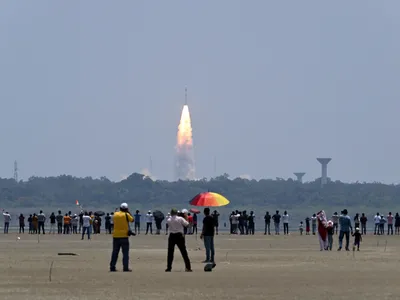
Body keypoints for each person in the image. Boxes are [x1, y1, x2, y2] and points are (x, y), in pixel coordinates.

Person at [110, 203, 134, 272]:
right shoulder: (126, 214)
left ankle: (112, 266)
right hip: (124, 236)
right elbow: (132, 220)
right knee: (125, 253)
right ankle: (125, 267)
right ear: (126, 209)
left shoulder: (115, 214)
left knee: (115, 252)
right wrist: (128, 212)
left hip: (116, 236)